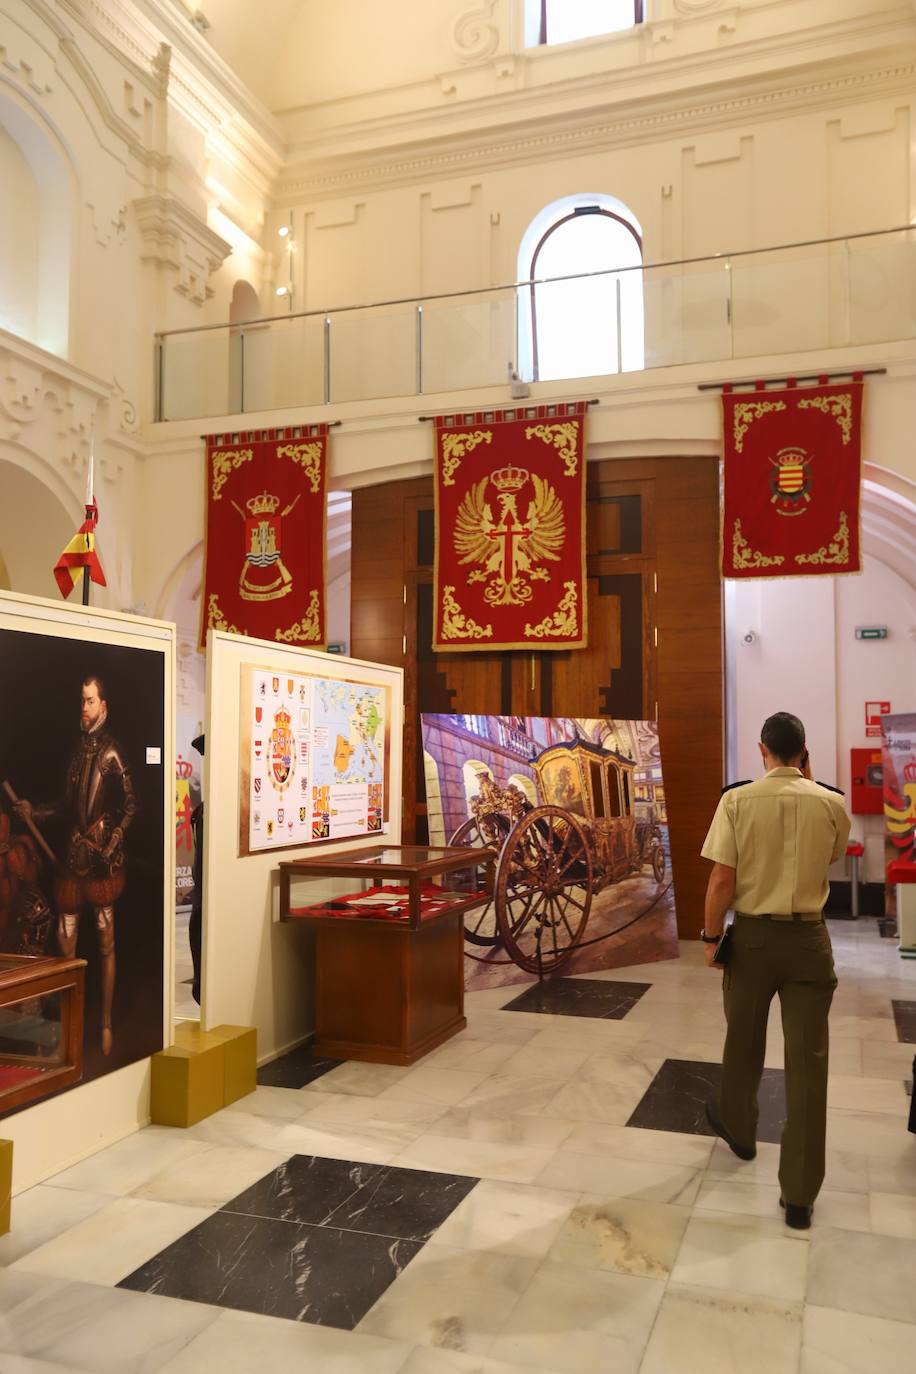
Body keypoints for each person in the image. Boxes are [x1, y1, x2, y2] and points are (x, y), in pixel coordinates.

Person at [699, 711, 851, 1229]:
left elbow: (722, 879)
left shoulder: (736, 800)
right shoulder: (832, 803)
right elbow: (829, 858)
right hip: (809, 940)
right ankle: (801, 1195)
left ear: (761, 748)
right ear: (803, 751)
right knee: (809, 1064)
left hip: (754, 940)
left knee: (743, 1039)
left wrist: (711, 936)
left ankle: (741, 1133)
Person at [15, 675, 136, 1056]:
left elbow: (130, 806)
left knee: (105, 941)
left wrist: (113, 839)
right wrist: (34, 810)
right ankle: (70, 1027)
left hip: (102, 862)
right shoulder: (75, 753)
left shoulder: (113, 753)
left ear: (104, 705)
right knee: (66, 947)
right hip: (73, 858)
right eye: (81, 702)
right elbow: (66, 807)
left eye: (89, 701)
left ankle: (104, 1023)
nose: (83, 708)